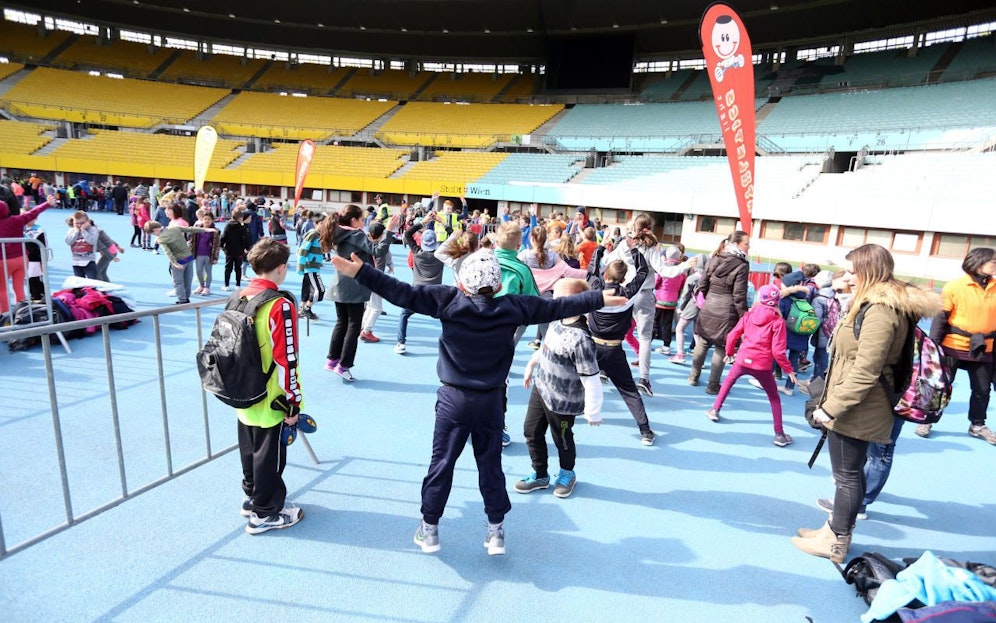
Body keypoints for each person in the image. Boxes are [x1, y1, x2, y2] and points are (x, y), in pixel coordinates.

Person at [329, 248, 629, 556]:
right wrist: (600, 299)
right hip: (491, 402)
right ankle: (495, 531)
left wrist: (362, 272)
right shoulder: (513, 307)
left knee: (442, 464)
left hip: (453, 400)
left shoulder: (447, 300)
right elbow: (558, 306)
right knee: (490, 466)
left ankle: (429, 528)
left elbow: (402, 293)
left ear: (461, 283)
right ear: (498, 286)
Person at [792, 243, 940, 564]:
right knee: (852, 473)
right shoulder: (875, 304)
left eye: (851, 271)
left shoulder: (880, 310)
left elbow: (866, 369)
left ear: (868, 272)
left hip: (858, 407)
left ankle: (835, 542)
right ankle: (834, 530)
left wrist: (832, 407)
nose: (847, 277)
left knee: (846, 475)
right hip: (858, 403)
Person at [233, 238, 306, 534]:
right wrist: (294, 403)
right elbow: (287, 359)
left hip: (240, 389)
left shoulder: (240, 296)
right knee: (270, 454)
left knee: (249, 447)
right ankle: (265, 512)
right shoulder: (280, 305)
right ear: (281, 268)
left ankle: (252, 496)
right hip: (270, 396)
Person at [515, 278, 603, 498]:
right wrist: (531, 364)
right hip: (542, 388)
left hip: (563, 401)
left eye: (557, 300)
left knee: (562, 438)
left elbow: (591, 377)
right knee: (531, 431)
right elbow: (546, 348)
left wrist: (593, 410)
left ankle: (567, 473)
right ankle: (540, 474)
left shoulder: (581, 338)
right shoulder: (556, 322)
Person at [604, 213, 698, 397]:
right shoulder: (653, 246)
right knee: (645, 338)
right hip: (643, 295)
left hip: (624, 293)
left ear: (634, 227)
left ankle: (604, 369)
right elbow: (664, 271)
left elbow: (608, 261)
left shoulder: (625, 243)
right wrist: (685, 266)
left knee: (615, 331)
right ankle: (644, 379)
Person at [705, 284, 798, 446]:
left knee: (727, 382)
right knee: (774, 398)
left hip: (742, 359)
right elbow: (778, 351)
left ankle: (715, 410)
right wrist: (789, 370)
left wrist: (729, 353)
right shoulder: (777, 321)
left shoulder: (749, 315)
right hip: (762, 365)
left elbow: (733, 334)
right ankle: (779, 434)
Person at [586, 244, 658, 446]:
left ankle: (561, 418)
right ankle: (645, 431)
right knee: (628, 391)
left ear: (605, 274)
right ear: (624, 278)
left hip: (591, 348)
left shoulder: (595, 290)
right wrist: (635, 250)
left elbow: (590, 271)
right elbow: (643, 272)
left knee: (575, 382)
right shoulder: (627, 294)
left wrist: (599, 250)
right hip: (614, 350)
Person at [923, 247, 996, 443]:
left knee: (982, 390)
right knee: (941, 386)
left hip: (984, 348)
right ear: (978, 262)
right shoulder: (955, 286)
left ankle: (977, 425)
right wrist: (933, 346)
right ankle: (928, 419)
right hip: (953, 346)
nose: (995, 264)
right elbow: (941, 317)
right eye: (993, 261)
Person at [689, 231, 750, 395]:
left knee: (702, 342)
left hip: (709, 305)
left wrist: (707, 300)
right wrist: (744, 315)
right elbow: (739, 295)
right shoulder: (742, 265)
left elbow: (703, 284)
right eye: (746, 243)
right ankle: (713, 385)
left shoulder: (715, 257)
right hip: (727, 310)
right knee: (721, 347)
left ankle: (693, 377)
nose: (749, 247)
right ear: (736, 244)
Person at [321, 204, 375, 382]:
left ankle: (332, 359)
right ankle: (344, 365)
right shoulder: (356, 234)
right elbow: (377, 250)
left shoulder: (339, 233)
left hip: (340, 284)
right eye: (361, 219)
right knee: (353, 326)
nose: (363, 222)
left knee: (341, 322)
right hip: (354, 285)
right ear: (354, 220)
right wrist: (389, 232)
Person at [396, 218, 445, 354]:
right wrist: (442, 222)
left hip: (417, 292)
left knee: (404, 314)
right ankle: (450, 345)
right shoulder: (440, 254)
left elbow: (407, 234)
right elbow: (452, 235)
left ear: (422, 242)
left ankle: (400, 343)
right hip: (435, 295)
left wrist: (424, 221)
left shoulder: (417, 253)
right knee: (447, 317)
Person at [0, 195, 55, 314]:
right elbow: (33, 213)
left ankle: (5, 315)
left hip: (2, 260)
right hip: (21, 258)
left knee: (2, 289)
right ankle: (22, 312)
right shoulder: (16, 220)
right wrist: (47, 204)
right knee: (19, 287)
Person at [142, 220, 212, 304]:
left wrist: (175, 263)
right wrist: (205, 230)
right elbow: (190, 229)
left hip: (179, 261)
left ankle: (182, 300)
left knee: (178, 282)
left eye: (153, 234)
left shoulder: (161, 239)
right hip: (189, 258)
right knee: (188, 280)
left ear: (155, 230)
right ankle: (186, 297)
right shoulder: (175, 228)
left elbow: (168, 253)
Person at [359, 220, 399, 344]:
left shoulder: (364, 243)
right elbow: (386, 253)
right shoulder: (380, 245)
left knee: (370, 306)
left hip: (365, 277)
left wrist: (390, 265)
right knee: (376, 308)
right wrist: (390, 265)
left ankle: (363, 327)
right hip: (375, 279)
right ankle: (366, 331)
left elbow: (387, 254)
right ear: (381, 235)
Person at [653, 246, 687, 356]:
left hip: (660, 299)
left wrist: (657, 288)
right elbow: (682, 285)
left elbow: (657, 282)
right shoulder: (681, 270)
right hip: (672, 300)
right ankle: (666, 346)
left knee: (654, 321)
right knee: (667, 324)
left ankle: (648, 342)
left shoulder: (663, 267)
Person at [295, 214, 329, 321]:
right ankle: (307, 308)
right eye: (321, 224)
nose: (323, 226)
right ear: (316, 224)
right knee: (320, 290)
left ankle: (302, 309)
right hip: (310, 266)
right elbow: (303, 250)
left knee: (306, 289)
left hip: (313, 266)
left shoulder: (319, 235)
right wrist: (300, 266)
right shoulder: (313, 234)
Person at [190, 209, 220, 296]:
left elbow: (217, 245)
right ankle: (201, 285)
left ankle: (207, 287)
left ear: (212, 220)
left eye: (209, 219)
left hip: (209, 254)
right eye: (205, 219)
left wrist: (215, 257)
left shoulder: (215, 231)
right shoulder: (197, 229)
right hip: (199, 253)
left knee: (208, 271)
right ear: (202, 219)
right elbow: (192, 240)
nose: (207, 221)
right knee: (199, 271)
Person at [220, 210, 252, 291]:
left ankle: (226, 285)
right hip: (239, 251)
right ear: (241, 218)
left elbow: (223, 237)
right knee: (238, 268)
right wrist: (247, 248)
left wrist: (221, 245)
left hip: (229, 250)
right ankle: (238, 285)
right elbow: (246, 239)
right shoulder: (242, 227)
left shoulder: (227, 226)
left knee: (228, 268)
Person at [65, 211, 101, 280]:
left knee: (93, 281)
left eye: (82, 223)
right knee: (79, 283)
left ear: (88, 222)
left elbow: (91, 241)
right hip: (76, 261)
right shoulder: (72, 230)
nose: (79, 225)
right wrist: (76, 232)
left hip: (88, 260)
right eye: (76, 223)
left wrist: (83, 230)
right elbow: (68, 242)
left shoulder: (93, 230)